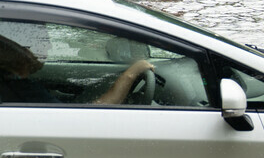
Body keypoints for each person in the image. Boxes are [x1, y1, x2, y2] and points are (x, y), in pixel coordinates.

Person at [0, 34, 154, 105]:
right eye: (44, 40)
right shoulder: (22, 89)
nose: (50, 46)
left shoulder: (13, 83)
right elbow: (95, 112)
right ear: (22, 49)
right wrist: (131, 73)